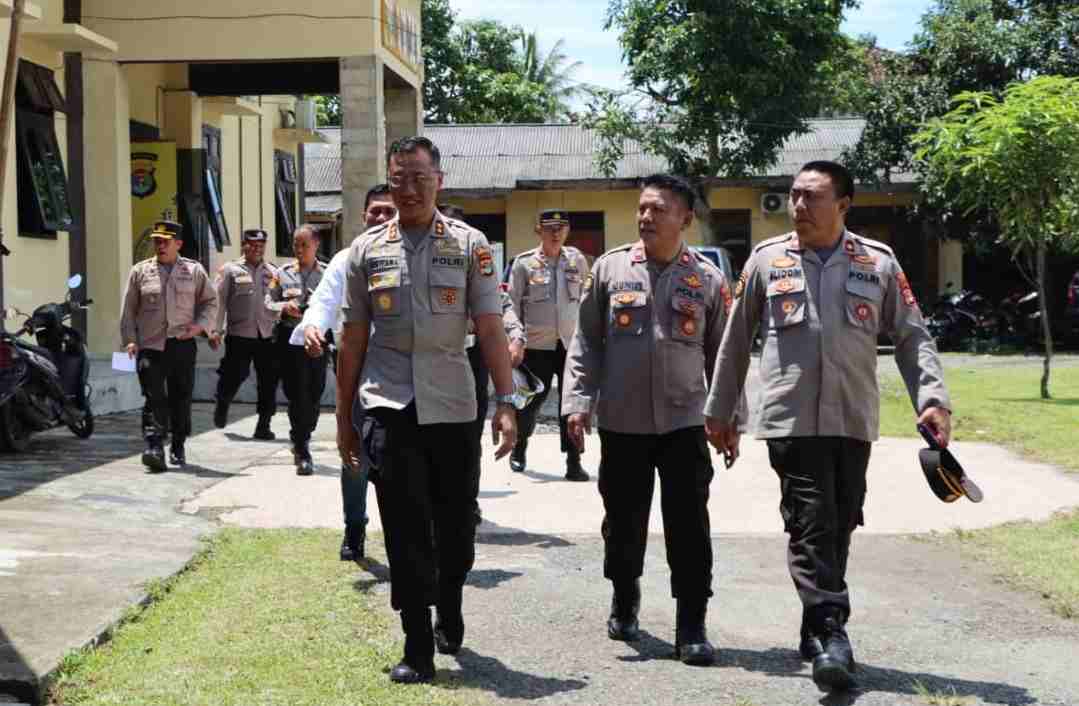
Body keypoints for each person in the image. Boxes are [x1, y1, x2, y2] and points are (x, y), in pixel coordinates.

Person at [704, 160, 952, 691]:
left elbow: (912, 336)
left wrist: (933, 399)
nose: (798, 206)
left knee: (840, 522)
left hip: (852, 415)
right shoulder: (767, 260)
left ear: (842, 205)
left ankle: (813, 628)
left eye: (811, 197)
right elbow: (734, 339)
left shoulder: (878, 263)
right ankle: (834, 634)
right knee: (811, 521)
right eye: (794, 195)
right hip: (790, 418)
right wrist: (721, 411)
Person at [336, 136, 517, 685]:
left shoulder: (469, 245)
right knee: (403, 526)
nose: (409, 189)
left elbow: (489, 328)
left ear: (439, 179)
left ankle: (451, 598)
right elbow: (352, 337)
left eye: (419, 177)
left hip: (454, 402)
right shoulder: (365, 251)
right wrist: (345, 417)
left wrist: (506, 402)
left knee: (455, 523)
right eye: (398, 179)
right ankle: (416, 642)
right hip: (388, 404)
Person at [563, 174, 739, 666]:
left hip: (685, 423)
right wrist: (577, 402)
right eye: (642, 208)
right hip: (622, 422)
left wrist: (727, 419)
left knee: (688, 526)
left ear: (684, 217)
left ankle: (692, 624)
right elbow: (586, 343)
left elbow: (723, 356)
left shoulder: (706, 278)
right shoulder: (610, 270)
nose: (646, 217)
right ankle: (625, 594)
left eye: (658, 209)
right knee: (622, 523)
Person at [292, 184, 396, 561]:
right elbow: (323, 301)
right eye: (375, 211)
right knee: (354, 454)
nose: (381, 218)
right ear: (363, 215)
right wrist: (314, 327)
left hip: (403, 371)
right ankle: (355, 528)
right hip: (356, 370)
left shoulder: (414, 257)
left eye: (389, 211)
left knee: (399, 459)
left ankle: (403, 533)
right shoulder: (345, 259)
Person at [440, 203, 527, 526]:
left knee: (468, 436)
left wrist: (516, 336)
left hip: (470, 360)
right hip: (431, 361)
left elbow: (503, 306)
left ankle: (467, 500)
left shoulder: (475, 260)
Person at [120, 220, 218, 471]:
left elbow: (210, 303)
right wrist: (130, 340)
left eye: (165, 241)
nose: (160, 246)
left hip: (182, 345)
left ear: (178, 244)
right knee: (154, 396)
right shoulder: (140, 272)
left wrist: (199, 327)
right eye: (157, 241)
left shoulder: (194, 271)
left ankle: (178, 442)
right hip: (150, 346)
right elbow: (129, 311)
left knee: (181, 398)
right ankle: (154, 446)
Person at [507, 209, 591, 481]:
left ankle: (573, 461)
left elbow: (586, 301)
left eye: (561, 227)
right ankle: (520, 446)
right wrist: (516, 339)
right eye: (550, 227)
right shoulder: (523, 263)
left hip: (571, 344)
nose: (556, 233)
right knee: (530, 402)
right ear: (538, 230)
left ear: (567, 230)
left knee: (571, 404)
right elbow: (511, 305)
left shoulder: (577, 260)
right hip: (536, 346)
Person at [266, 225, 328, 476]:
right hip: (290, 340)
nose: (299, 249)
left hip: (318, 340)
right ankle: (301, 446)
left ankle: (305, 431)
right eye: (295, 244)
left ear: (316, 245)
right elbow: (267, 301)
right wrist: (283, 306)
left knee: (315, 390)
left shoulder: (327, 273)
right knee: (297, 392)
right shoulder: (282, 274)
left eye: (304, 244)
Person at [209, 228, 280, 439]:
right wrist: (215, 330)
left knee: (268, 381)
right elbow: (219, 301)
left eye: (261, 246)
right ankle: (222, 402)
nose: (258, 249)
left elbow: (278, 299)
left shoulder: (273, 272)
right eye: (253, 245)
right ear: (244, 245)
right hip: (239, 334)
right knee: (235, 374)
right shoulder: (230, 270)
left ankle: (264, 424)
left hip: (267, 334)